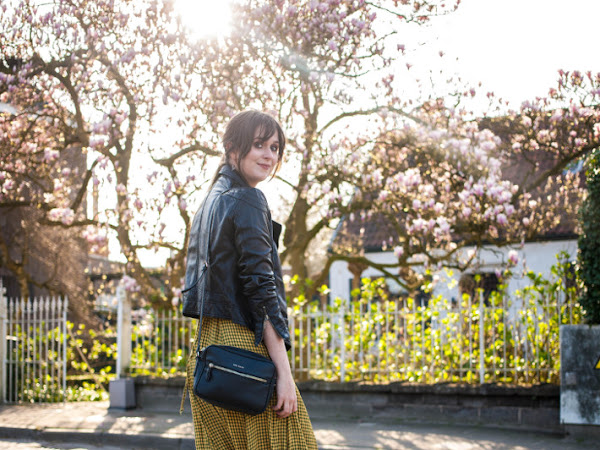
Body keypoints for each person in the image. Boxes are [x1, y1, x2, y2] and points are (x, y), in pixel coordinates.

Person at [181, 110, 318, 449]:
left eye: (275, 147)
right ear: (232, 149)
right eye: (258, 145)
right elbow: (261, 290)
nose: (269, 156)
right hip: (245, 348)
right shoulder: (249, 199)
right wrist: (284, 375)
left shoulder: (208, 205)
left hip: (206, 355)